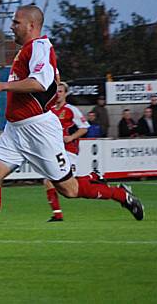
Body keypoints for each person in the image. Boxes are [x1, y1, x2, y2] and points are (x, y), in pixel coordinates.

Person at [0, 5, 143, 260]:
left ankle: (119, 194)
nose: (11, 26)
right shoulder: (28, 50)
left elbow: (40, 83)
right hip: (15, 130)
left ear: (31, 25)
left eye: (16, 22)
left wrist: (2, 86)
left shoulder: (40, 47)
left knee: (70, 190)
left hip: (38, 130)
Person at [42, 82, 90, 222]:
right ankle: (57, 214)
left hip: (69, 150)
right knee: (48, 181)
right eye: (56, 91)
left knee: (71, 187)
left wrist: (71, 138)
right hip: (54, 150)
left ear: (66, 93)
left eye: (61, 91)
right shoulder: (49, 110)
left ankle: (94, 179)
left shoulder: (71, 110)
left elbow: (84, 127)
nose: (58, 94)